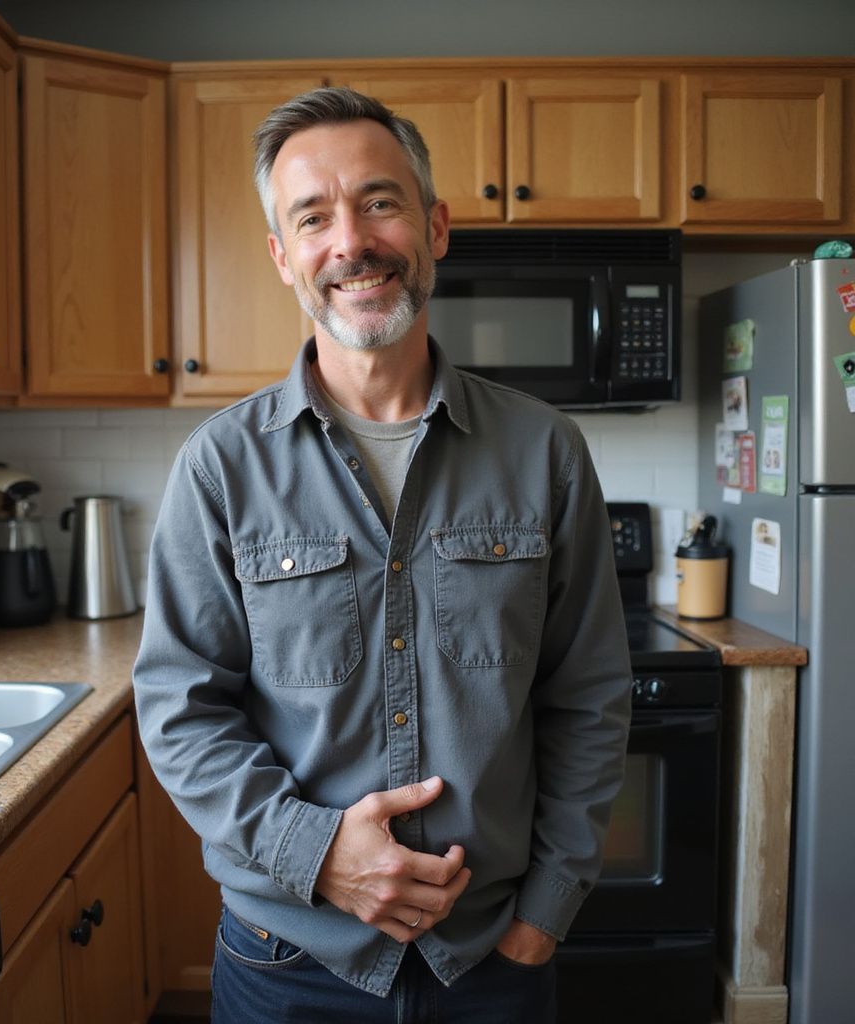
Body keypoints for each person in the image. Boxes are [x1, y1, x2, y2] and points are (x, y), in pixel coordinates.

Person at [133, 87, 632, 1024]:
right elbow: (179, 709)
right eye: (313, 217)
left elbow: (590, 694)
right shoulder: (221, 466)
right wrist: (313, 851)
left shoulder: (544, 450)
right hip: (286, 956)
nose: (350, 241)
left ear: (435, 226)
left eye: (380, 201)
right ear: (285, 258)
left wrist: (547, 912)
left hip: (493, 960)